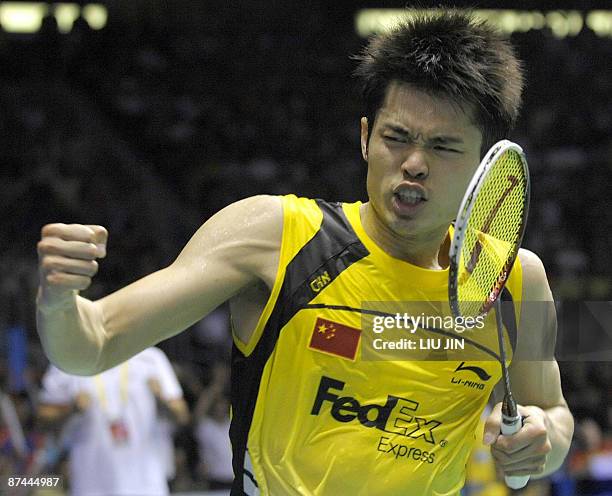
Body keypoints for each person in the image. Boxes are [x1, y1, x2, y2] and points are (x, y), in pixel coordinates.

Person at [35, 9, 574, 495]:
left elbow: (552, 412)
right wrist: (60, 303)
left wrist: (541, 438)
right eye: (396, 137)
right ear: (365, 138)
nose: (413, 163)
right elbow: (92, 345)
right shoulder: (278, 237)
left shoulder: (518, 279)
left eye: (442, 146)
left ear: (483, 161)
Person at [37, 347, 189, 496]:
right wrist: (71, 409)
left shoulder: (151, 357)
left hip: (147, 485)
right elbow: (42, 418)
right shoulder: (70, 359)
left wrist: (161, 398)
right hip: (90, 484)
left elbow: (183, 416)